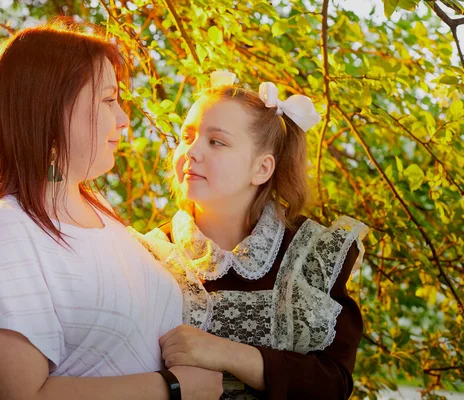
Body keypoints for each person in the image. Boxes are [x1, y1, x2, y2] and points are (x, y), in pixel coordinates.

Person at [0, 24, 222, 400]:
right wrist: (171, 388)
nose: (124, 119)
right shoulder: (5, 232)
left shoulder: (101, 212)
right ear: (49, 107)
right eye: (109, 100)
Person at [133, 72, 369, 399]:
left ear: (262, 168)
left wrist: (228, 353)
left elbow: (332, 384)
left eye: (216, 141)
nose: (192, 151)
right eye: (187, 136)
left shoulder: (316, 254)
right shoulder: (149, 255)